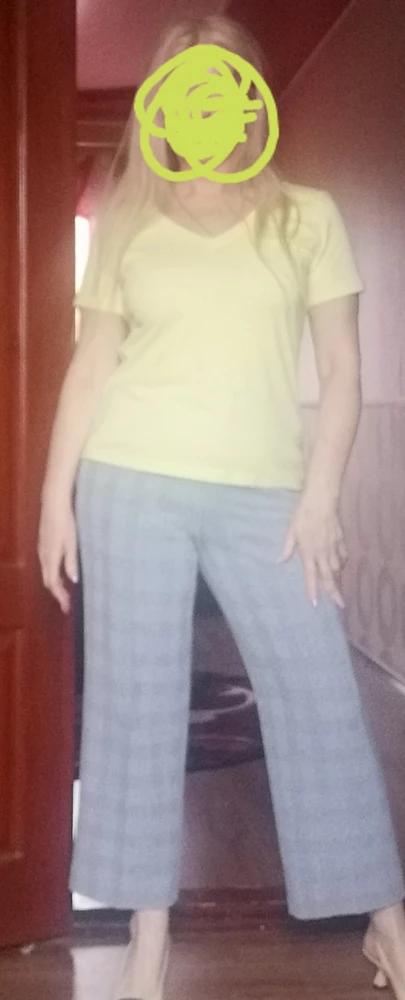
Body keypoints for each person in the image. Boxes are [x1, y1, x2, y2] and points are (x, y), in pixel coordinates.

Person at [38, 14, 405, 1000]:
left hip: (269, 498)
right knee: (134, 706)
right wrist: (53, 499)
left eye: (224, 80)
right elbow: (92, 365)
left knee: (320, 694)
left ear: (249, 99)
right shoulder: (129, 223)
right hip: (130, 482)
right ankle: (148, 943)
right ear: (164, 101)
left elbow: (342, 368)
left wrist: (322, 496)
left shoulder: (307, 217)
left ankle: (387, 925)